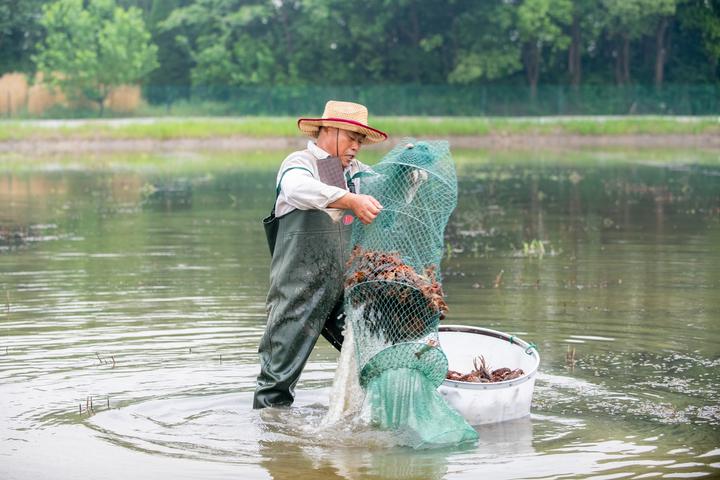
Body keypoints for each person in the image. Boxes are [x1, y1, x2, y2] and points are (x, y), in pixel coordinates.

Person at [253, 100, 388, 409]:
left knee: (378, 360)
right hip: (297, 291)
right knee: (276, 384)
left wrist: (407, 180)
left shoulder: (357, 173)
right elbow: (296, 189)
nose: (356, 146)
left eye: (360, 140)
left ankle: (371, 425)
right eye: (350, 137)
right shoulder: (299, 163)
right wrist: (349, 200)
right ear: (327, 130)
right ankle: (270, 441)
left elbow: (387, 192)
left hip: (346, 292)